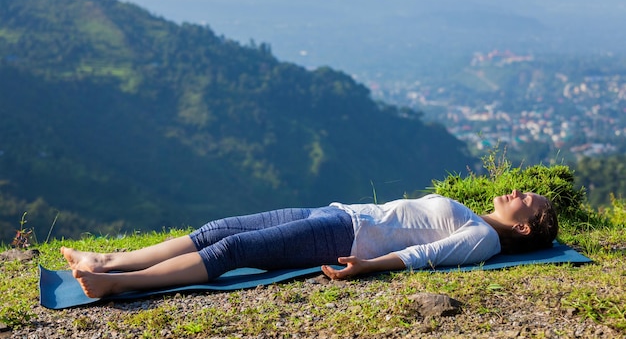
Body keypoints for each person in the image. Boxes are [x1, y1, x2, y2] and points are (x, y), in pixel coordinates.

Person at [61, 189, 558, 298]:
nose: (516, 192)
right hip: (339, 213)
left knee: (235, 253)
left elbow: (423, 256)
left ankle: (117, 283)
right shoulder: (477, 218)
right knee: (220, 229)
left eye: (526, 201)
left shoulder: (482, 241)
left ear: (525, 228)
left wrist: (369, 266)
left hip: (346, 236)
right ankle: (108, 259)